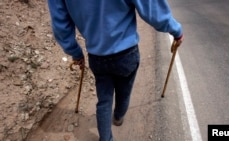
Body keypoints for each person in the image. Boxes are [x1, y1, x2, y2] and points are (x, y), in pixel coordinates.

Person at [47, 0, 183, 141]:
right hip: (126, 53)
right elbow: (151, 8)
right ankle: (118, 116)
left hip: (97, 56)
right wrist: (175, 30)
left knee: (104, 100)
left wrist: (75, 52)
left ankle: (106, 138)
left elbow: (60, 24)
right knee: (124, 91)